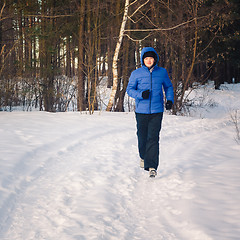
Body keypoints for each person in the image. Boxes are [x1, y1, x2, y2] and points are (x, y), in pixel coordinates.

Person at [127, 47, 174, 177]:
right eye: (146, 58)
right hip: (141, 111)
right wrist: (141, 94)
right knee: (142, 138)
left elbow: (168, 86)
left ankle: (152, 166)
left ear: (155, 59)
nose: (149, 60)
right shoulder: (136, 73)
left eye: (151, 58)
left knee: (153, 138)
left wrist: (169, 100)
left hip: (157, 111)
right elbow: (129, 90)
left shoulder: (162, 72)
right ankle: (143, 156)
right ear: (143, 60)